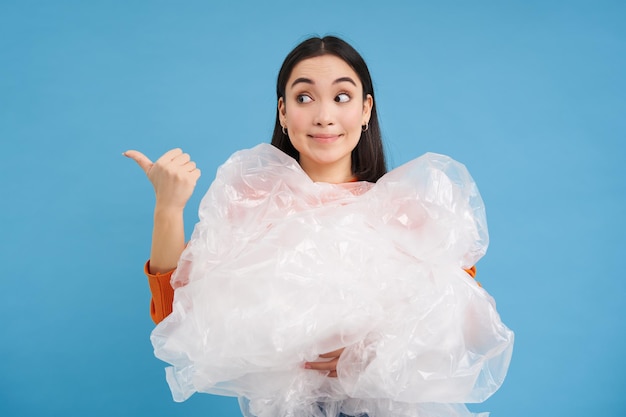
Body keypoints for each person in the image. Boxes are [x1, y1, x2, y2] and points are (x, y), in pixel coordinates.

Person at [125, 36, 513, 417]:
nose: (324, 115)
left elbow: (466, 322)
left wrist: (377, 353)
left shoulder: (406, 209)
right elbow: (180, 322)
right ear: (282, 111)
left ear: (366, 110)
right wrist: (168, 208)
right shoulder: (251, 206)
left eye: (342, 97)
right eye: (304, 97)